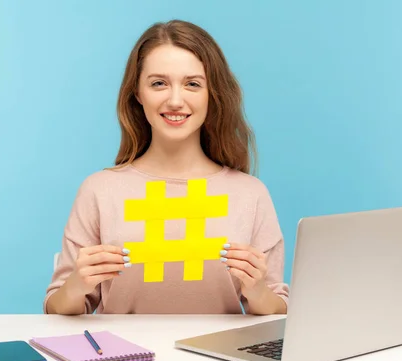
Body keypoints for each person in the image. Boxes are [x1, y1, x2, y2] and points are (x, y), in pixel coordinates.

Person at [44, 19, 289, 316]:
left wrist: (258, 291)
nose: (175, 100)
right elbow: (57, 308)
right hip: (124, 358)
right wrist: (75, 285)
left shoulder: (251, 194)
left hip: (218, 360)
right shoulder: (99, 190)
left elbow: (277, 307)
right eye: (159, 83)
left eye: (193, 84)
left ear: (212, 94)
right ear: (138, 93)